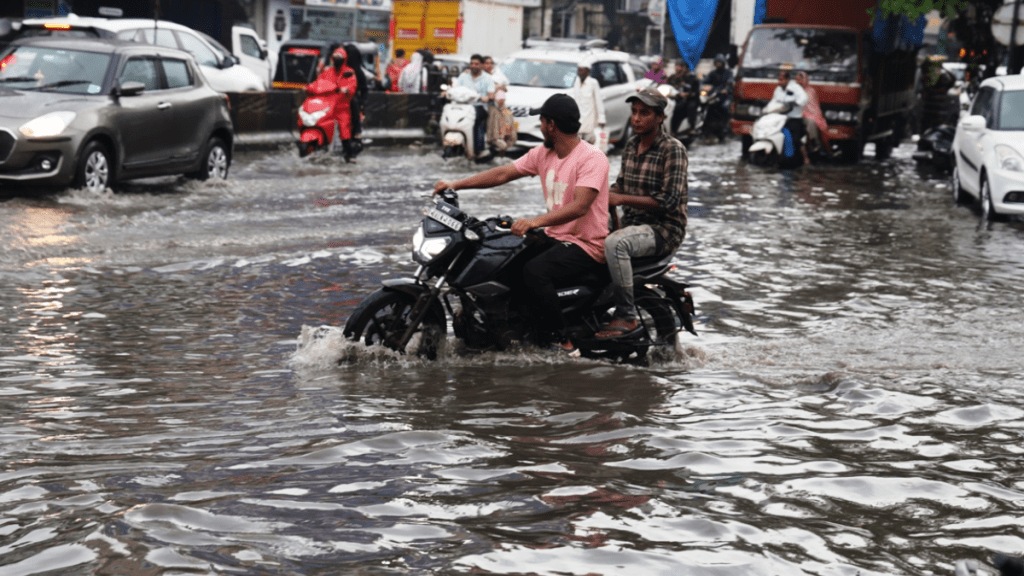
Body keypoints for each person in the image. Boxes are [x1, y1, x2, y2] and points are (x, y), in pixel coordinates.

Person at [433, 94, 610, 352]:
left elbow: (580, 206)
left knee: (535, 272)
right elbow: (503, 173)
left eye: (541, 121)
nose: (539, 126)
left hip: (586, 245)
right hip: (555, 238)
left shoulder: (592, 158)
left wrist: (533, 222)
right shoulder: (544, 154)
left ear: (551, 125)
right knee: (504, 260)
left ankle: (562, 340)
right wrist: (456, 184)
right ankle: (512, 332)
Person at [594, 87, 688, 339]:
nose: (636, 118)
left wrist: (621, 197)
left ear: (659, 118)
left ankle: (626, 315)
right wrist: (594, 196)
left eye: (644, 113)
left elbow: (669, 201)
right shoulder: (632, 145)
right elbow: (620, 186)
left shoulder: (673, 149)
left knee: (616, 243)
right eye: (634, 112)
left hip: (663, 229)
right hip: (632, 223)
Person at [309, 47, 359, 162]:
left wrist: (346, 90)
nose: (337, 60)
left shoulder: (349, 72)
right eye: (335, 58)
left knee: (344, 129)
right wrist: (310, 88)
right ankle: (317, 148)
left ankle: (349, 154)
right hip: (327, 106)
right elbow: (318, 83)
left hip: (342, 107)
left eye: (339, 58)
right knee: (319, 124)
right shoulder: (327, 72)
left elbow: (352, 86)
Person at [455, 54, 496, 158]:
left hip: (479, 106)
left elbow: (491, 94)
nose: (474, 66)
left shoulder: (487, 79)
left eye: (476, 64)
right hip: (462, 106)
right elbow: (455, 89)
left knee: (476, 120)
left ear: (481, 65)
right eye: (472, 63)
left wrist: (487, 97)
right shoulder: (463, 76)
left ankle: (479, 148)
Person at [768, 69, 809, 161]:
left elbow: (804, 98)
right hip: (779, 118)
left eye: (781, 80)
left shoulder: (795, 88)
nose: (779, 82)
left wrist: (795, 103)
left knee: (794, 140)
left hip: (794, 118)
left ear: (787, 80)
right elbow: (773, 101)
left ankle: (795, 159)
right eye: (778, 80)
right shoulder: (778, 89)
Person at [795, 70, 832, 159]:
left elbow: (813, 106)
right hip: (795, 114)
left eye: (801, 79)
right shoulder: (794, 90)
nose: (800, 82)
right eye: (798, 80)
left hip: (810, 115)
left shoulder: (811, 91)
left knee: (812, 122)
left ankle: (815, 143)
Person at [343, 43, 368, 159]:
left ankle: (356, 135)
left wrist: (361, 104)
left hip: (350, 101)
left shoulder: (357, 72)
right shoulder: (335, 70)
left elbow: (364, 90)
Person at [572, 59, 605, 145]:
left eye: (582, 70)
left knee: (590, 147)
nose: (580, 72)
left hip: (589, 122)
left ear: (587, 71)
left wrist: (601, 118)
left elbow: (598, 102)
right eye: (579, 70)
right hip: (578, 122)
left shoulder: (593, 83)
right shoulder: (576, 82)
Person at [703, 54, 734, 140]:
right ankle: (706, 128)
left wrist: (726, 89)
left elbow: (730, 82)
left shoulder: (728, 73)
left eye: (720, 62)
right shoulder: (713, 73)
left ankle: (725, 126)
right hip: (715, 95)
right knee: (708, 107)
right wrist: (703, 84)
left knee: (724, 107)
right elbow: (706, 80)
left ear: (723, 63)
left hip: (725, 96)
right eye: (717, 62)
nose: (718, 64)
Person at [667, 59, 699, 136]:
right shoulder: (673, 77)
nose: (677, 68)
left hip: (689, 99)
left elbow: (695, 90)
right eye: (676, 66)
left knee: (686, 108)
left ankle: (691, 127)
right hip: (675, 97)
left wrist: (687, 94)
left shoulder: (691, 78)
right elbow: (667, 84)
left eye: (679, 66)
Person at [486, 88, 516, 154]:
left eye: (503, 100)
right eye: (500, 100)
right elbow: (491, 126)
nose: (501, 101)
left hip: (504, 136)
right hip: (495, 138)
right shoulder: (492, 111)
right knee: (502, 145)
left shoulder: (506, 111)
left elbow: (510, 125)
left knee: (504, 145)